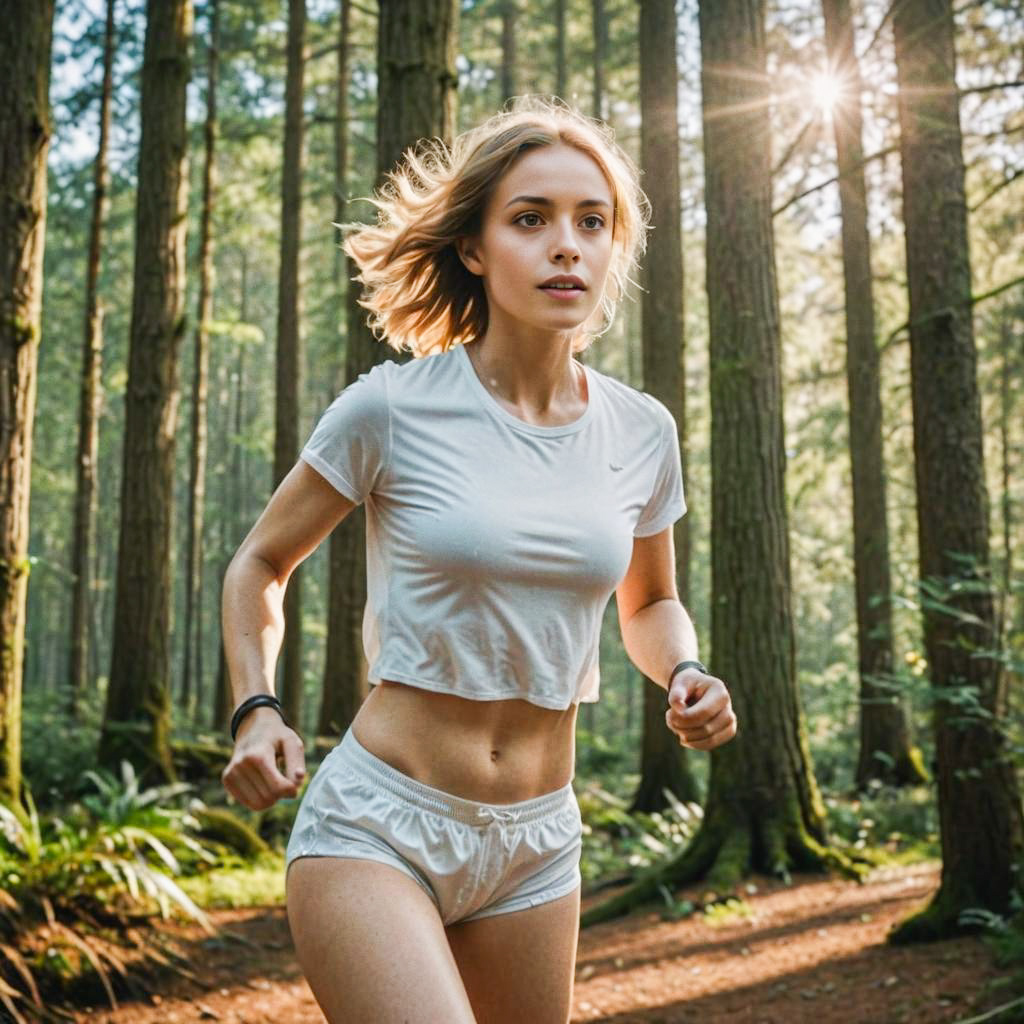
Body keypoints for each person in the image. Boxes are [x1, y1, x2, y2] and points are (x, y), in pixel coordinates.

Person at [220, 95, 737, 1024]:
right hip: (379, 824)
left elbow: (649, 604)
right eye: (530, 220)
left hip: (539, 842)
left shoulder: (641, 432)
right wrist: (256, 708)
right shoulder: (390, 409)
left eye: (592, 221)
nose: (566, 245)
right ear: (474, 246)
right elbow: (260, 562)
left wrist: (687, 671)